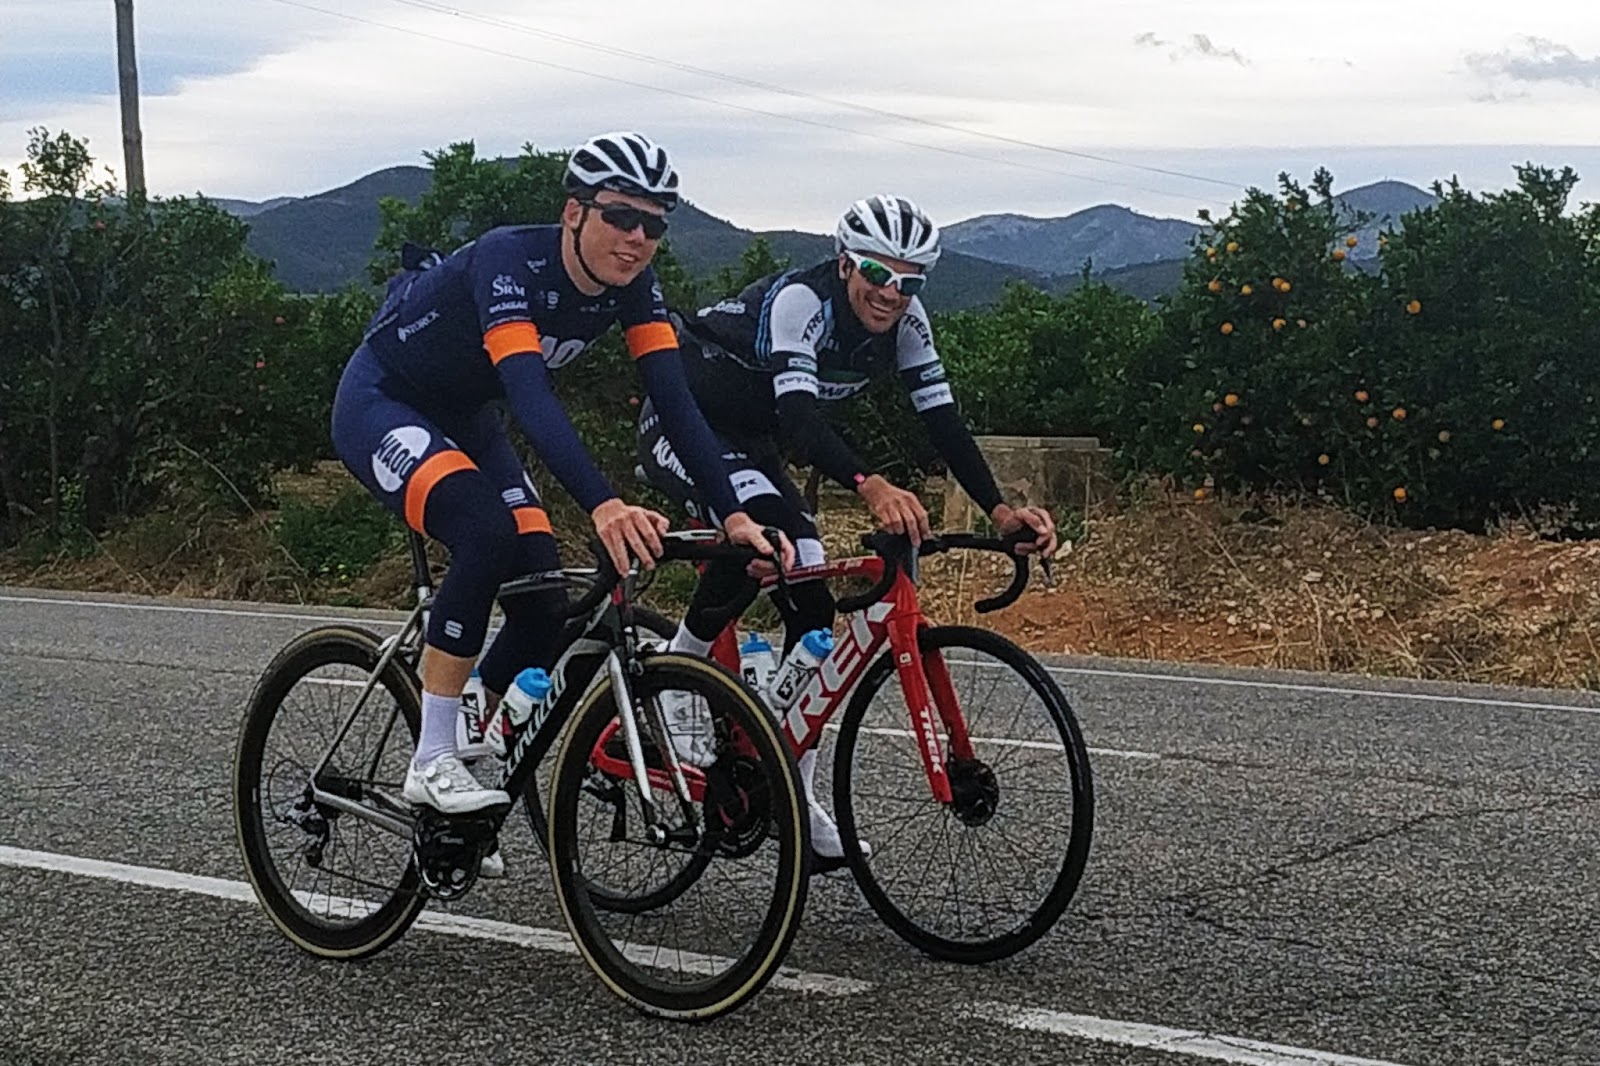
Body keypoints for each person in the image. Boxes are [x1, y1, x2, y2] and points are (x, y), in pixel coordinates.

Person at [331, 132, 787, 876]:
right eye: (620, 216)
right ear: (574, 212)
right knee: (483, 530)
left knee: (544, 600)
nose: (637, 238)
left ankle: (469, 738)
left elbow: (676, 403)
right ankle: (432, 756)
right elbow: (530, 394)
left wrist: (733, 513)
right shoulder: (508, 260)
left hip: (468, 418)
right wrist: (605, 505)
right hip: (384, 401)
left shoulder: (633, 284)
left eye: (654, 225)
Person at [636, 193, 1057, 866]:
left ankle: (793, 796)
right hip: (686, 422)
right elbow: (802, 422)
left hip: (751, 441)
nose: (892, 293)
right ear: (844, 264)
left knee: (813, 606)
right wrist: (872, 485)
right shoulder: (801, 302)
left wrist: (1001, 512)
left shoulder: (908, 321)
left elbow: (942, 422)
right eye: (878, 274)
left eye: (910, 281)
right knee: (766, 534)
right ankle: (678, 677)